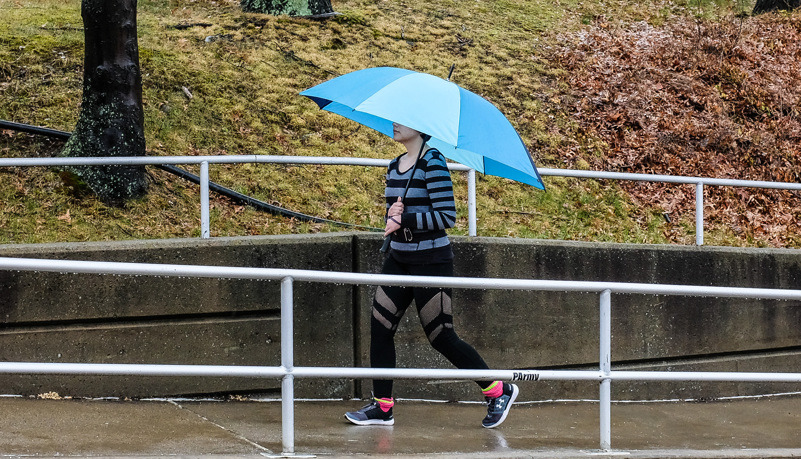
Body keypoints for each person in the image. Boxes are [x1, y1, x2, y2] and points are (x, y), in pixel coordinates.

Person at [344, 123, 519, 429]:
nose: (395, 124)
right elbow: (394, 216)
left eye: (403, 119)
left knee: (440, 336)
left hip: (431, 261)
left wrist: (404, 218)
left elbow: (446, 216)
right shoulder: (394, 165)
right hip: (398, 258)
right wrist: (392, 220)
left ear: (421, 126)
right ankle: (383, 407)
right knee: (380, 327)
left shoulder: (433, 162)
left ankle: (498, 390)